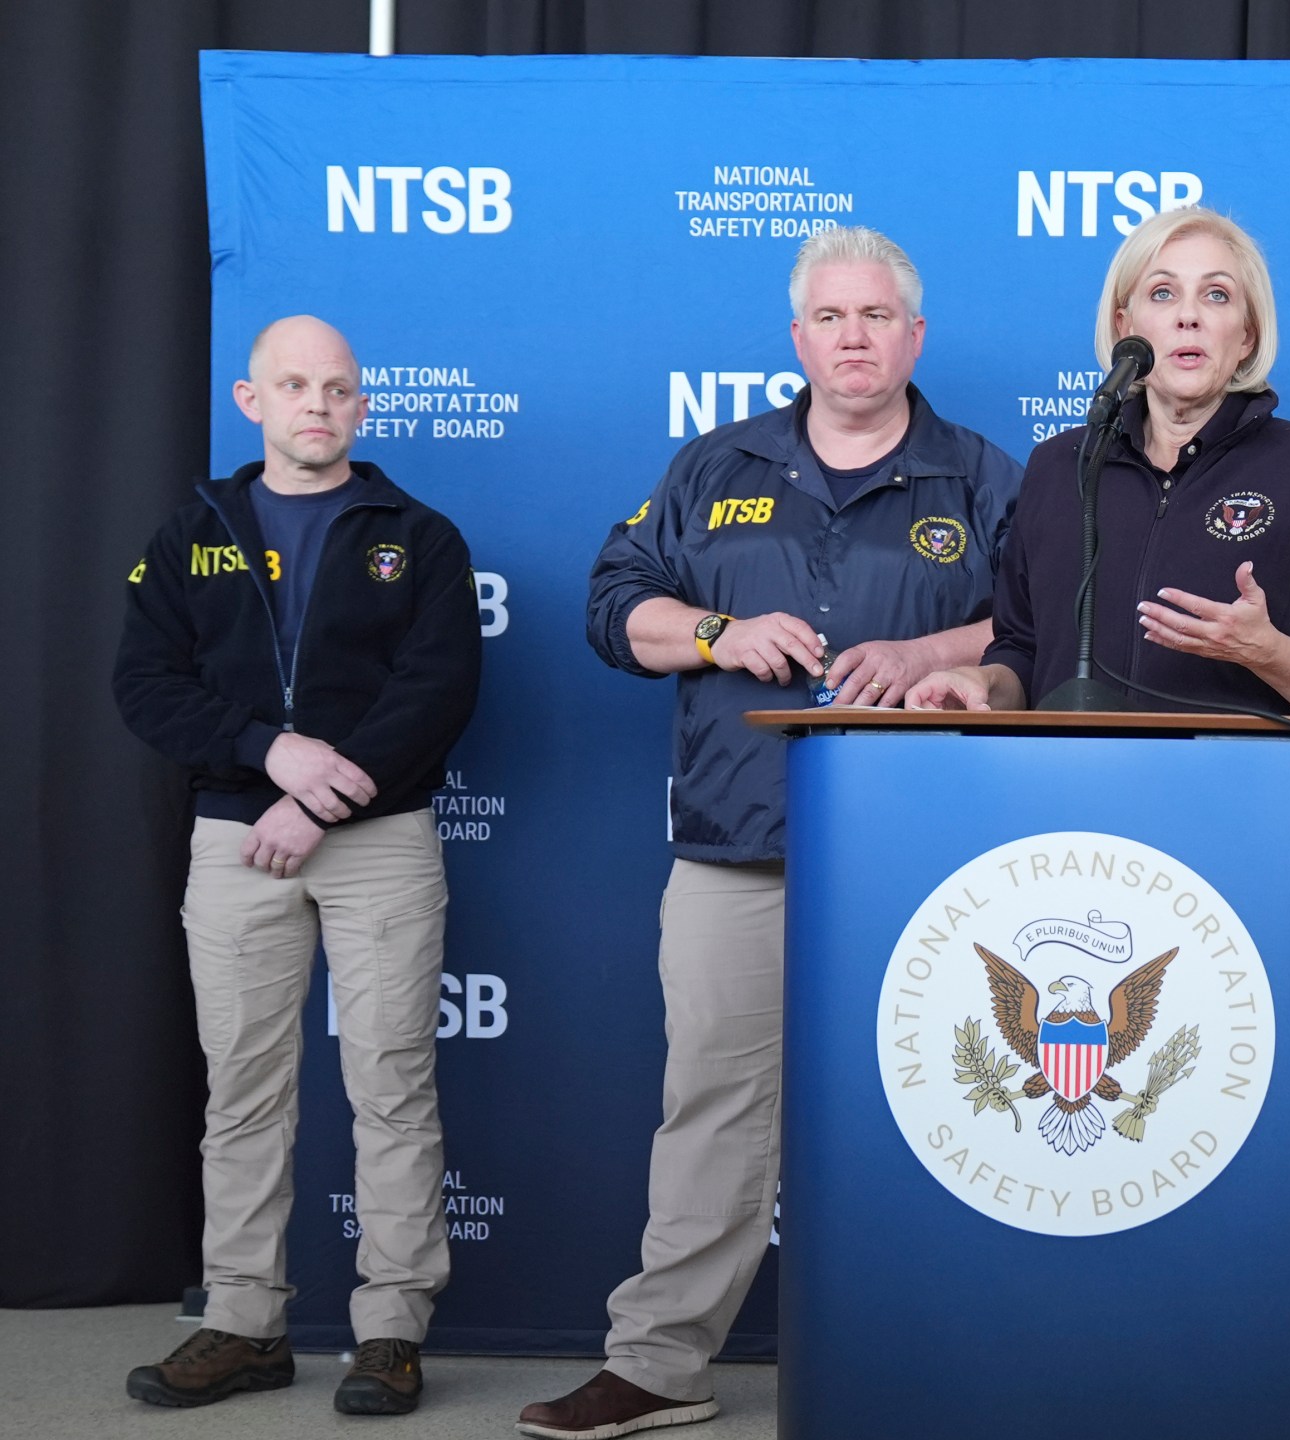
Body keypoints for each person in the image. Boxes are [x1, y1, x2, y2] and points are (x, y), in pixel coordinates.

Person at [520, 226, 1021, 1439]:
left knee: (955, 1105)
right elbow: (610, 608)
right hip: (737, 846)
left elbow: (1046, 634)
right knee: (712, 1105)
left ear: (915, 335)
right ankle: (657, 1364)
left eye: (877, 316)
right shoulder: (713, 463)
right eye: (831, 319)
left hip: (931, 859)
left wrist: (928, 652)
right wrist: (713, 634)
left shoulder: (985, 476)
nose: (855, 337)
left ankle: (955, 1359)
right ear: (799, 338)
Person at [113, 315, 483, 1417]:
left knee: (391, 1088)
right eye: (293, 386)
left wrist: (324, 793)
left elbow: (439, 689)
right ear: (251, 402)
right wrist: (267, 752)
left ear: (362, 408)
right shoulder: (190, 536)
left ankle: (391, 1332)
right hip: (236, 841)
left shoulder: (420, 537)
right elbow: (146, 684)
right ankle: (241, 1323)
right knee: (243, 1093)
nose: (316, 404)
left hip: (376, 840)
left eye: (336, 389)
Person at [906, 207, 1290, 716]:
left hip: (1242, 788)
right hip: (1066, 786)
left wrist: (1266, 653)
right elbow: (1024, 652)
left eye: (1216, 294)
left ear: (1246, 335)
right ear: (1125, 326)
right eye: (1163, 293)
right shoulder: (1057, 466)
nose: (1188, 315)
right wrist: (978, 681)